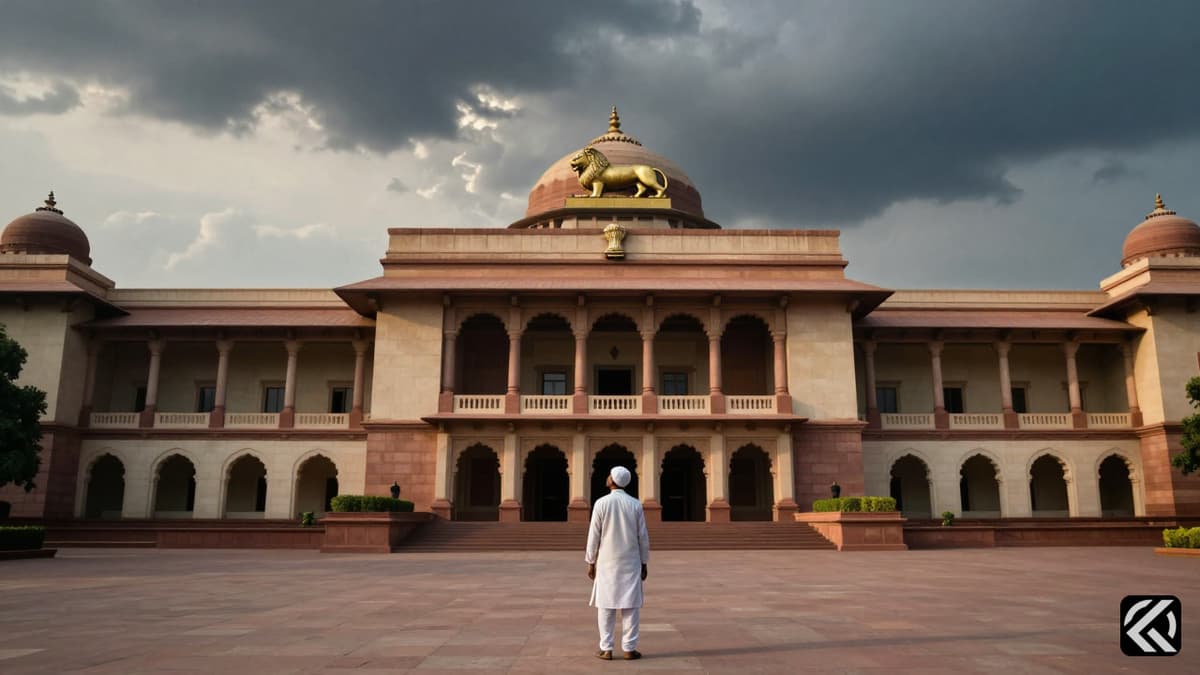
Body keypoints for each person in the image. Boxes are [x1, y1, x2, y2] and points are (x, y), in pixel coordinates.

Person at [585, 465, 650, 661]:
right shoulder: (635, 504)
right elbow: (643, 537)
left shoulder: (601, 503)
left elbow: (593, 534)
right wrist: (644, 562)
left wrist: (591, 561)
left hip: (607, 561)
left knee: (606, 605)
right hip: (631, 561)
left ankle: (607, 648)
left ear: (612, 480)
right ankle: (629, 648)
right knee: (631, 606)